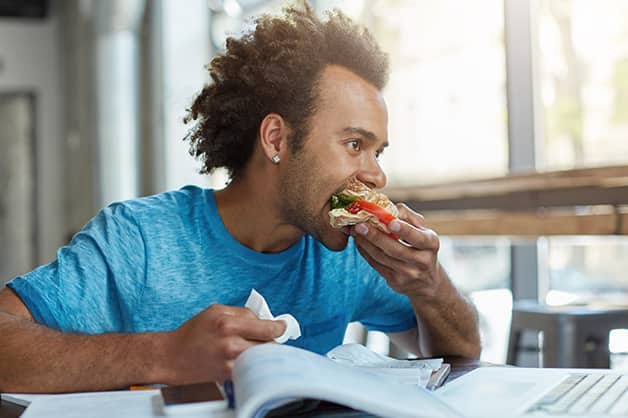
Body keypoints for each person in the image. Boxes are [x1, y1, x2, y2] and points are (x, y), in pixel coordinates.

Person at [0, 4, 480, 393]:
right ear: (276, 139)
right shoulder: (139, 240)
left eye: (378, 152)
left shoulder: (348, 254)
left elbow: (460, 351)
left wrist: (429, 284)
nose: (376, 174)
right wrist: (165, 355)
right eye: (355, 144)